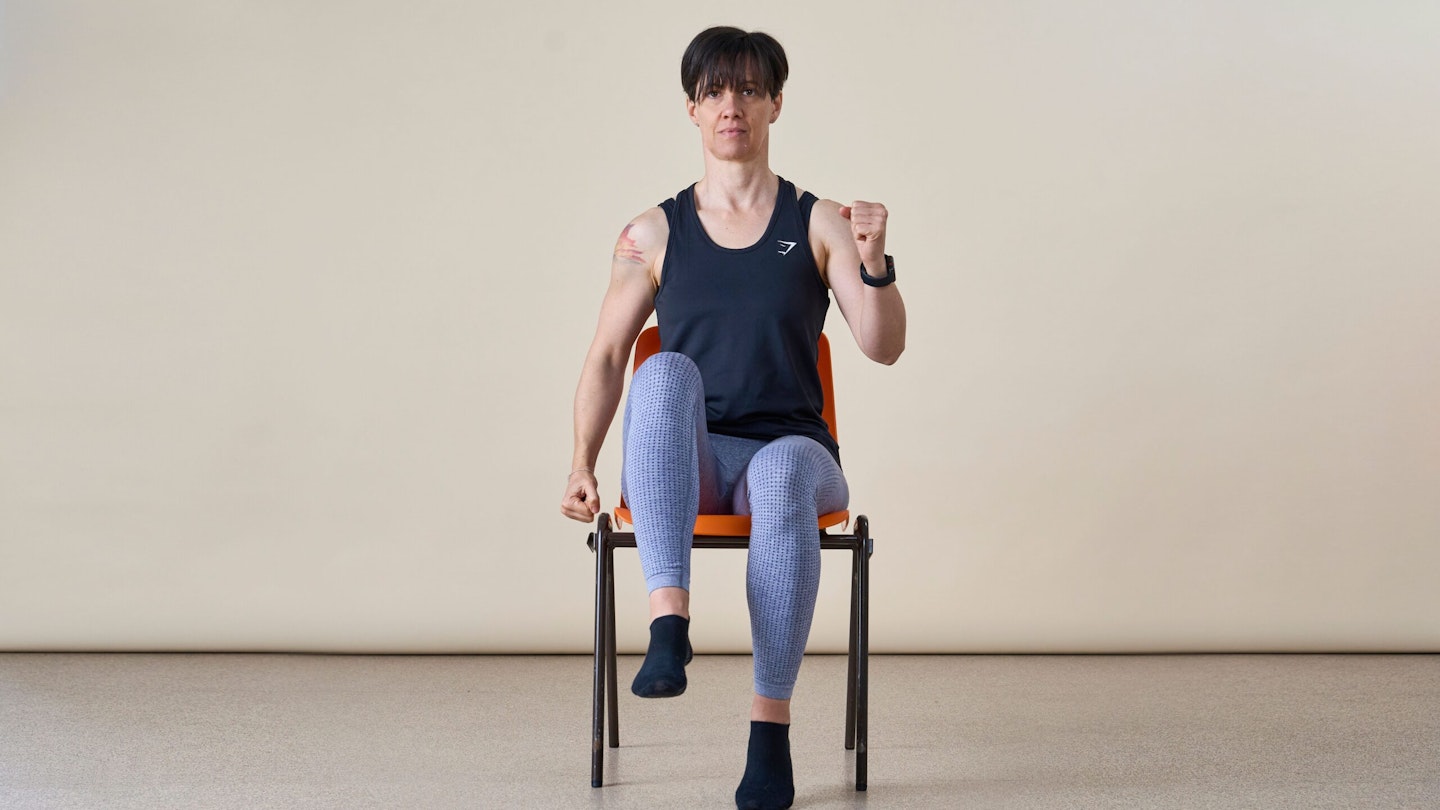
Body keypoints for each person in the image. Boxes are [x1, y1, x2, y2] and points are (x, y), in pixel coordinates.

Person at [559, 26, 906, 810]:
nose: (732, 105)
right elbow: (611, 356)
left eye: (749, 89)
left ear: (775, 103)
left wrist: (877, 263)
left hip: (794, 452)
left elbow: (882, 348)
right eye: (716, 90)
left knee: (783, 465)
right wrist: (581, 462)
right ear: (692, 108)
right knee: (665, 367)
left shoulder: (819, 222)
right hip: (689, 464)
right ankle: (669, 622)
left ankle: (768, 730)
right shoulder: (651, 232)